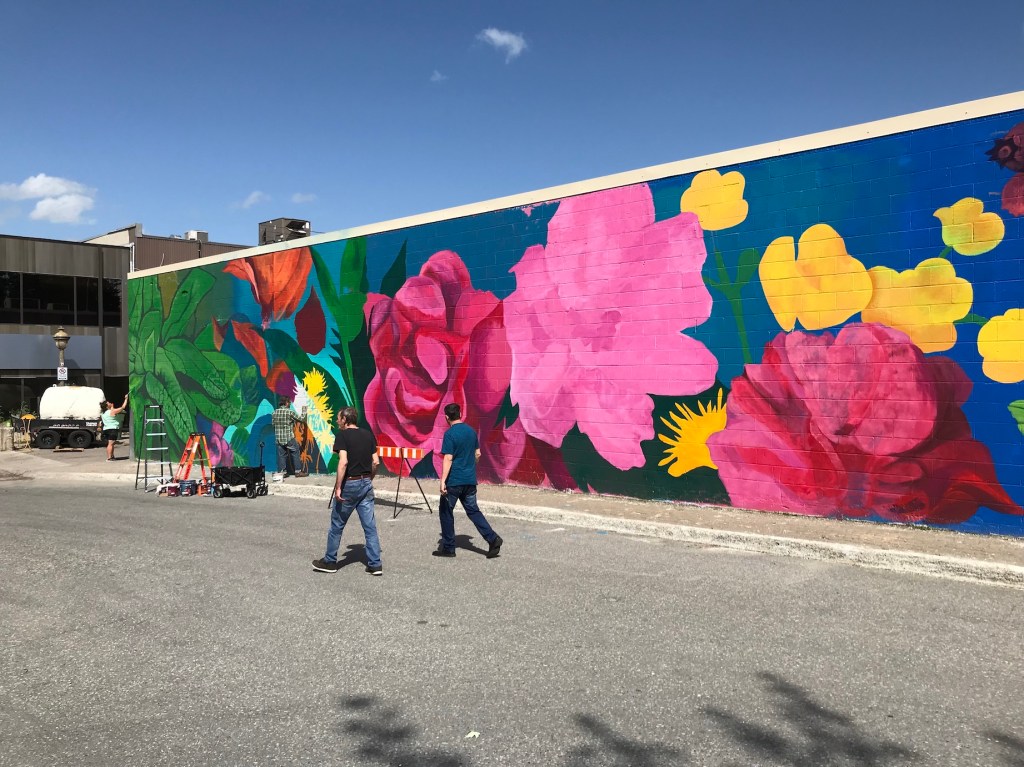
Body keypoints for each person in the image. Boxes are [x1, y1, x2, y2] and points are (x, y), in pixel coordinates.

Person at [313, 407, 383, 576]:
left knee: (337, 525)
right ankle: (375, 564)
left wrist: (338, 487)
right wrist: (369, 479)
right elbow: (376, 462)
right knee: (370, 526)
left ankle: (330, 561)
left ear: (345, 419)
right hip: (366, 483)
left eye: (339, 418)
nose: (337, 421)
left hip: (349, 484)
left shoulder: (342, 436)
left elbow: (343, 462)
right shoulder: (368, 435)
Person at [433, 403, 503, 559]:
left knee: (445, 511)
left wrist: (443, 480)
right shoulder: (471, 432)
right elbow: (478, 454)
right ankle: (492, 539)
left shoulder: (450, 434)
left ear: (446, 417)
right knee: (473, 511)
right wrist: (469, 466)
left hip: (454, 481)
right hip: (470, 480)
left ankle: (449, 548)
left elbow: (448, 458)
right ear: (460, 414)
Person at [271, 397, 306, 480]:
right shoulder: (289, 412)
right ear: (286, 403)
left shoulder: (274, 412)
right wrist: (304, 410)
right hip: (289, 437)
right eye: (289, 402)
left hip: (279, 438)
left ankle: (282, 472)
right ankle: (298, 471)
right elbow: (302, 419)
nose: (290, 404)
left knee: (282, 455)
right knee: (295, 452)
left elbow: (273, 425)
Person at [101, 393, 128, 461]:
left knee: (111, 444)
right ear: (107, 406)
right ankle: (109, 458)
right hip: (112, 430)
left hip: (106, 429)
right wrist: (126, 399)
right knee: (110, 444)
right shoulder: (112, 411)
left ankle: (112, 456)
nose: (110, 402)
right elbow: (123, 407)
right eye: (108, 403)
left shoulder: (103, 413)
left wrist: (112, 407)